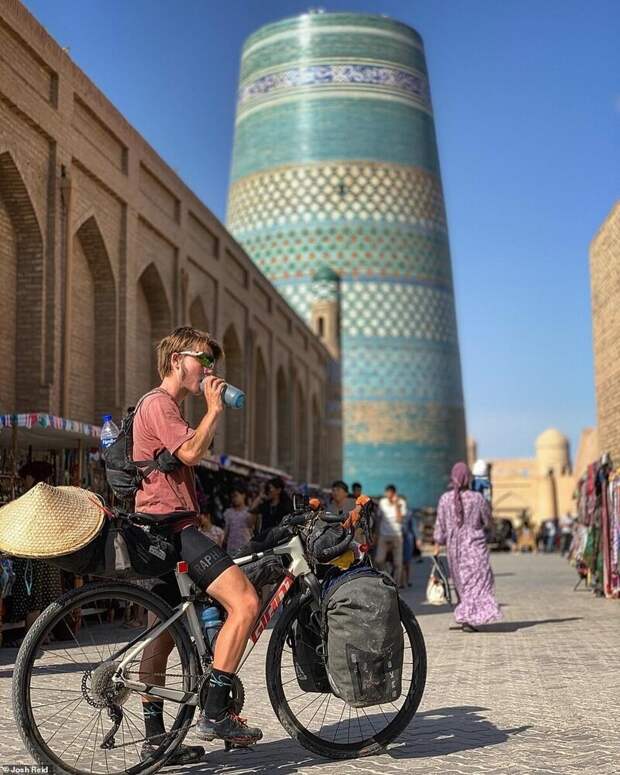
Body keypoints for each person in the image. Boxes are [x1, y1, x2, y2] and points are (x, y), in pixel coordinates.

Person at [132, 326, 262, 762]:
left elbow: (190, 451)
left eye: (212, 363)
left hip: (157, 532)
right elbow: (189, 453)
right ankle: (216, 710)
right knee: (245, 602)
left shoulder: (164, 408)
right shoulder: (158, 403)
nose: (209, 369)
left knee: (162, 637)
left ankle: (156, 741)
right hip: (173, 529)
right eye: (203, 360)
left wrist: (207, 417)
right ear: (176, 360)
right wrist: (214, 409)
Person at [433, 462, 502, 632]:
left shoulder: (445, 499)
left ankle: (467, 618)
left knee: (461, 584)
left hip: (454, 550)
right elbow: (487, 520)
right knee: (479, 582)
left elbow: (440, 526)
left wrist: (438, 544)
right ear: (468, 478)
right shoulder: (477, 498)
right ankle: (469, 617)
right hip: (475, 548)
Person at [5, 461, 63, 643]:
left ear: (31, 477)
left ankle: (31, 639)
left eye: (25, 478)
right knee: (45, 597)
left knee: (33, 598)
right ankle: (43, 635)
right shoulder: (53, 497)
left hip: (33, 554)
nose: (23, 482)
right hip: (50, 554)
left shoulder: (31, 498)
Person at [375, 484, 406, 587]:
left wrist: (396, 505)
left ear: (394, 494)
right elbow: (379, 519)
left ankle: (395, 584)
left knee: (398, 563)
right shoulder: (382, 502)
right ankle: (387, 578)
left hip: (397, 535)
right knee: (379, 560)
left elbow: (399, 520)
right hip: (384, 535)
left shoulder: (401, 502)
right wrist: (376, 534)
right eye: (387, 493)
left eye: (391, 493)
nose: (389, 495)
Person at [249, 476, 292, 541]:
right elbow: (251, 511)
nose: (268, 491)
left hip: (279, 539)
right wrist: (260, 496)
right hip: (264, 539)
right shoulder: (265, 505)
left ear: (278, 490)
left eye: (270, 488)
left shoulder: (286, 506)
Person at [223, 485, 256, 555]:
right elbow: (226, 530)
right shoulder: (228, 512)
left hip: (246, 545)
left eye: (236, 496)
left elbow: (251, 526)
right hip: (231, 547)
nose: (234, 499)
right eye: (232, 497)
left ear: (243, 495)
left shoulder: (249, 512)